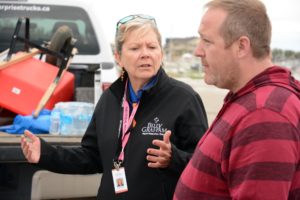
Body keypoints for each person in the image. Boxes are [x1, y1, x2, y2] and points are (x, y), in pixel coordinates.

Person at [21, 14, 208, 200]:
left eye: (152, 47)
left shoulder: (184, 99)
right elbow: (91, 157)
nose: (145, 53)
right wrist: (45, 154)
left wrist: (173, 158)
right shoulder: (110, 98)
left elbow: (206, 167)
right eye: (135, 48)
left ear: (160, 52)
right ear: (119, 58)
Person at [174, 0, 300, 199]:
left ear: (241, 46)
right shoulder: (249, 98)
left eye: (207, 41)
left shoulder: (263, 114)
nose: (198, 51)